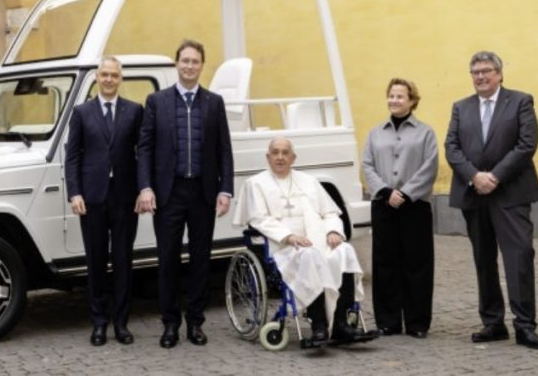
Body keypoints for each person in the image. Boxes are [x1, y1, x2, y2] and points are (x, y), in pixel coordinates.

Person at [444, 51, 538, 350]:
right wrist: (475, 176)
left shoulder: (520, 101)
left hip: (511, 193)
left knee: (519, 258)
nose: (481, 76)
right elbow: (452, 147)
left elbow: (527, 144)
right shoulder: (461, 107)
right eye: (475, 72)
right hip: (473, 194)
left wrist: (495, 176)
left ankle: (525, 325)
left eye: (487, 71)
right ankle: (493, 322)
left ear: (499, 74)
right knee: (484, 260)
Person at [136, 39, 233, 348]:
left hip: (203, 193)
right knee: (167, 260)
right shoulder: (157, 102)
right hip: (169, 193)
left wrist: (225, 189)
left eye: (195, 61)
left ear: (201, 66)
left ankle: (195, 322)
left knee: (201, 260)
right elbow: (145, 148)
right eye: (185, 61)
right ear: (176, 64)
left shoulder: (214, 103)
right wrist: (145, 186)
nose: (189, 66)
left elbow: (224, 150)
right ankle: (170, 324)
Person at [233, 137, 375, 346]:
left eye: (285, 153)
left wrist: (333, 231)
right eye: (275, 152)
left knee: (344, 250)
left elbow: (330, 212)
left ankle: (341, 324)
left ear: (293, 158)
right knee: (310, 256)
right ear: (268, 156)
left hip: (318, 240)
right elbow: (259, 219)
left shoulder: (309, 181)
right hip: (284, 248)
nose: (280, 157)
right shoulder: (256, 184)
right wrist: (289, 237)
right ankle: (318, 325)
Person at [65, 56, 145, 346]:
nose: (109, 79)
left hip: (125, 199)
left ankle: (121, 324)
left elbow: (143, 154)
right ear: (97, 78)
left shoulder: (134, 111)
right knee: (96, 263)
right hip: (92, 198)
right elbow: (72, 156)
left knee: (123, 262)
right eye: (104, 74)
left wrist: (142, 189)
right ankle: (99, 323)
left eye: (114, 75)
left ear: (120, 78)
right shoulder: (82, 112)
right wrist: (74, 193)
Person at [362, 78, 439, 339]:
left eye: (400, 96)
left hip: (414, 206)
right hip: (383, 205)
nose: (394, 100)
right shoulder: (375, 133)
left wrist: (405, 193)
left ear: (412, 100)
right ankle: (388, 321)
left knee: (417, 264)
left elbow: (430, 167)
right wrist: (385, 191)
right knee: (385, 264)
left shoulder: (425, 133)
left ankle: (417, 322)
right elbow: (367, 165)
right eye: (391, 96)